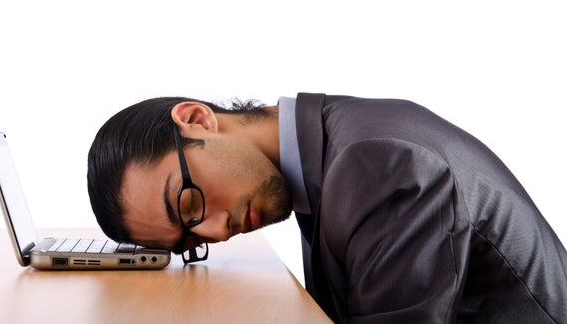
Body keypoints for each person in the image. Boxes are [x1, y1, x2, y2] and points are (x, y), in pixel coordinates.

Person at [87, 93, 567, 323]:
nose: (215, 232)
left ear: (197, 119)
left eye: (188, 204)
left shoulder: (381, 166)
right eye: (190, 243)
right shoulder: (327, 147)